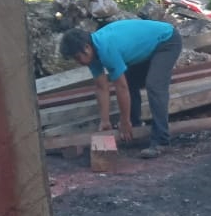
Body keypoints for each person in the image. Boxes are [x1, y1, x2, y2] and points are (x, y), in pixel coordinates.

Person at [59, 20, 183, 158]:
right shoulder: (92, 55)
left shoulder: (106, 48)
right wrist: (105, 121)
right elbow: (101, 87)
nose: (79, 62)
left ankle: (161, 141)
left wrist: (124, 121)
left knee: (154, 85)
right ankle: (134, 130)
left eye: (77, 57)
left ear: (86, 47)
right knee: (131, 82)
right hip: (147, 47)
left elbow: (121, 87)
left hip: (167, 40)